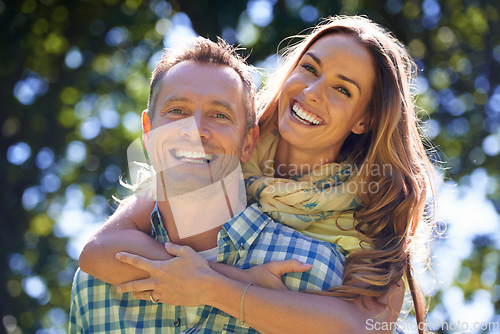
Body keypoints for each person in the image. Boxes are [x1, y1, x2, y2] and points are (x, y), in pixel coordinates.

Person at [81, 15, 434, 333]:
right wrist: (232, 279)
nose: (312, 92)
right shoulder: (223, 149)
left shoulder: (372, 209)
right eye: (310, 69)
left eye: (342, 89)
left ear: (364, 119)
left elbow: (365, 329)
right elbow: (100, 248)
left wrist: (216, 288)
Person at [70, 37, 349, 334]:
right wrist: (232, 280)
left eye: (220, 115)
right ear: (148, 132)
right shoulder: (95, 283)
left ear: (247, 143)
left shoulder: (310, 270)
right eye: (177, 110)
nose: (195, 130)